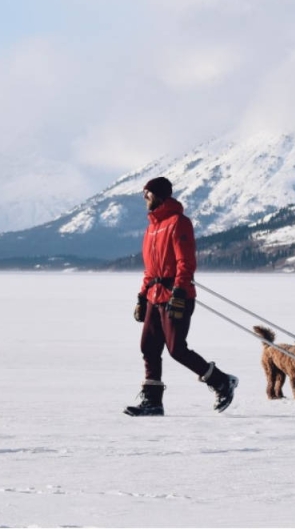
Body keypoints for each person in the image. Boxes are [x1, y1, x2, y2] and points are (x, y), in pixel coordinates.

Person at [124, 176, 238, 416]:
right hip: (155, 295)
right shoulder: (151, 227)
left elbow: (185, 262)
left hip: (177, 295)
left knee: (177, 349)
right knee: (149, 347)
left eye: (147, 192)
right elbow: (150, 269)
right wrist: (142, 296)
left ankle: (221, 382)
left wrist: (178, 291)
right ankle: (153, 402)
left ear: (159, 194)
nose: (144, 197)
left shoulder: (179, 222)